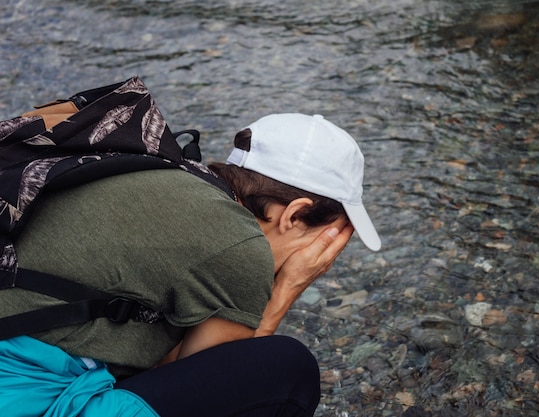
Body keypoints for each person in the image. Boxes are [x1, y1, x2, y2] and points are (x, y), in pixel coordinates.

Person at [0, 112, 381, 417]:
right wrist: (284, 291)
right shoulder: (240, 247)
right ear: (295, 216)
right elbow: (219, 389)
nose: (323, 259)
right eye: (329, 240)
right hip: (24, 397)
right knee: (286, 370)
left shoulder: (160, 175)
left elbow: (168, 375)